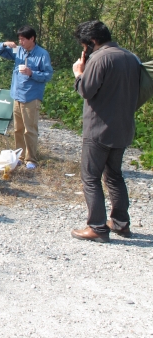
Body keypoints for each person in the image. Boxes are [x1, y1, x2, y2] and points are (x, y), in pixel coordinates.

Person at [70, 21, 140, 243]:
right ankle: (121, 224)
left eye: (84, 46)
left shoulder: (100, 58)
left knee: (90, 177)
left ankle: (97, 227)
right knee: (115, 176)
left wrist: (78, 73)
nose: (84, 50)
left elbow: (86, 90)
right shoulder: (130, 57)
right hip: (123, 127)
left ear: (92, 42)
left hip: (99, 129)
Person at [0, 25, 53, 169]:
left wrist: (32, 73)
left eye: (23, 39)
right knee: (17, 129)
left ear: (32, 39)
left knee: (30, 129)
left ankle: (31, 159)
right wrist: (4, 44)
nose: (21, 42)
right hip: (17, 95)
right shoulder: (19, 51)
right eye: (19, 39)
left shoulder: (42, 54)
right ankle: (19, 156)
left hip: (31, 96)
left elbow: (48, 75)